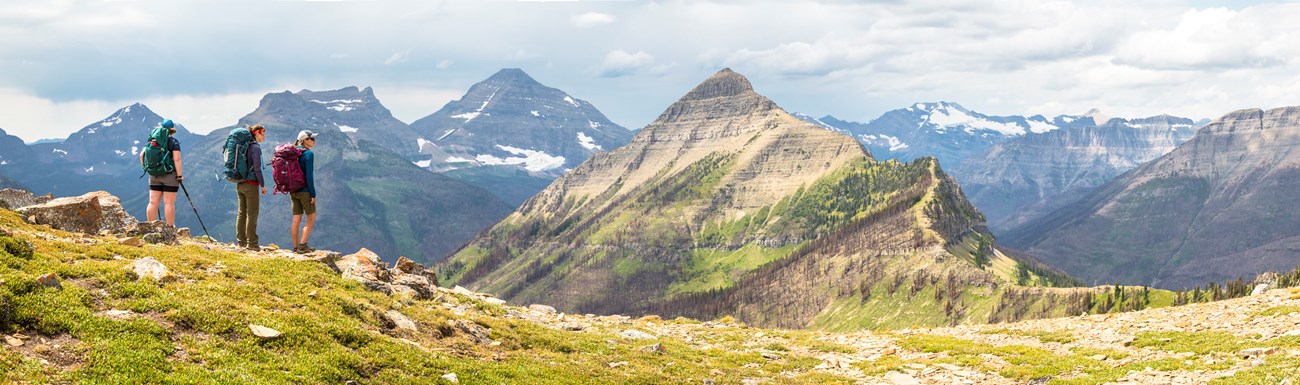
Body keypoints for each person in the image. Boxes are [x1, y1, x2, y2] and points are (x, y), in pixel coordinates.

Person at [142, 119, 182, 226]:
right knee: (168, 203)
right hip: (169, 175)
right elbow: (177, 159)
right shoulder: (174, 142)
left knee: (153, 203)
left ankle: (150, 227)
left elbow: (142, 155)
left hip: (154, 174)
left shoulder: (152, 141)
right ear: (172, 130)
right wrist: (179, 176)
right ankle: (170, 228)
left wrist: (147, 168)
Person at [236, 125, 267, 251]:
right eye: (262, 134)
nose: (264, 137)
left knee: (241, 214)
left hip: (240, 184)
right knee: (252, 214)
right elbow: (257, 168)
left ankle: (241, 242)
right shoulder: (255, 148)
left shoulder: (244, 146)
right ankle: (252, 244)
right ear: (256, 134)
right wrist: (263, 185)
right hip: (251, 185)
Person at [291, 130, 318, 254]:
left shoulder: (293, 152)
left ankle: (295, 246)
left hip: (293, 190)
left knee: (296, 219)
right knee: (311, 218)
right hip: (305, 191)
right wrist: (312, 194)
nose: (314, 141)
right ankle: (302, 245)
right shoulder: (308, 154)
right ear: (305, 140)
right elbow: (309, 176)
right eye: (311, 139)